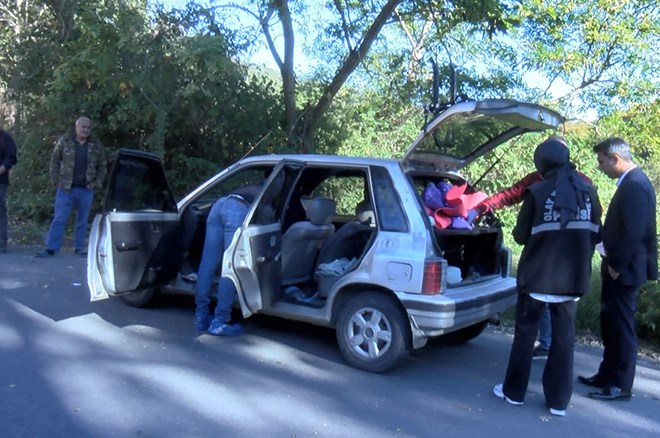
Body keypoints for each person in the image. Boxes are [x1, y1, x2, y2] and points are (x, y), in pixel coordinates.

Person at [493, 138, 602, 417]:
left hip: (537, 277)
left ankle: (513, 393)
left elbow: (519, 235)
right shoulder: (589, 192)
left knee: (525, 336)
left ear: (541, 164)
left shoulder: (537, 191)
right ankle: (558, 402)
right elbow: (596, 233)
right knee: (565, 341)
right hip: (572, 280)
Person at [468, 135, 591, 360]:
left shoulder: (580, 182)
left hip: (562, 258)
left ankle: (543, 354)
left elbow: (521, 234)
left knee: (546, 308)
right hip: (561, 260)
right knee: (552, 307)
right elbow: (510, 194)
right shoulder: (538, 180)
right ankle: (548, 346)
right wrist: (480, 208)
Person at [579, 137, 658, 401]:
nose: (599, 166)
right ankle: (607, 374)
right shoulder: (630, 182)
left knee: (622, 327)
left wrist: (615, 265)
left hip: (624, 270)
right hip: (620, 267)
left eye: (601, 161)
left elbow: (634, 233)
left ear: (615, 158)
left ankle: (621, 384)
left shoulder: (635, 185)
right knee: (610, 323)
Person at [194, 183, 263, 336]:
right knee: (230, 265)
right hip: (236, 210)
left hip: (219, 204)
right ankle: (220, 320)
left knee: (207, 264)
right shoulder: (268, 191)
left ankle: (201, 316)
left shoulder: (250, 188)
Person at [36, 117, 106, 257]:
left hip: (86, 189)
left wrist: (96, 183)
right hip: (66, 188)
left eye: (88, 127)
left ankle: (79, 248)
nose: (86, 130)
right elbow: (55, 161)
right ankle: (51, 248)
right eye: (83, 127)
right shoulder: (65, 141)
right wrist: (55, 180)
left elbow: (102, 166)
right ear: (76, 127)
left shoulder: (95, 145)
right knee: (59, 218)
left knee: (82, 220)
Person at [0, 125, 18, 254]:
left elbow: (11, 157)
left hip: (1, 180)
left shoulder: (5, 138)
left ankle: (1, 241)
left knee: (0, 210)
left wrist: (3, 167)